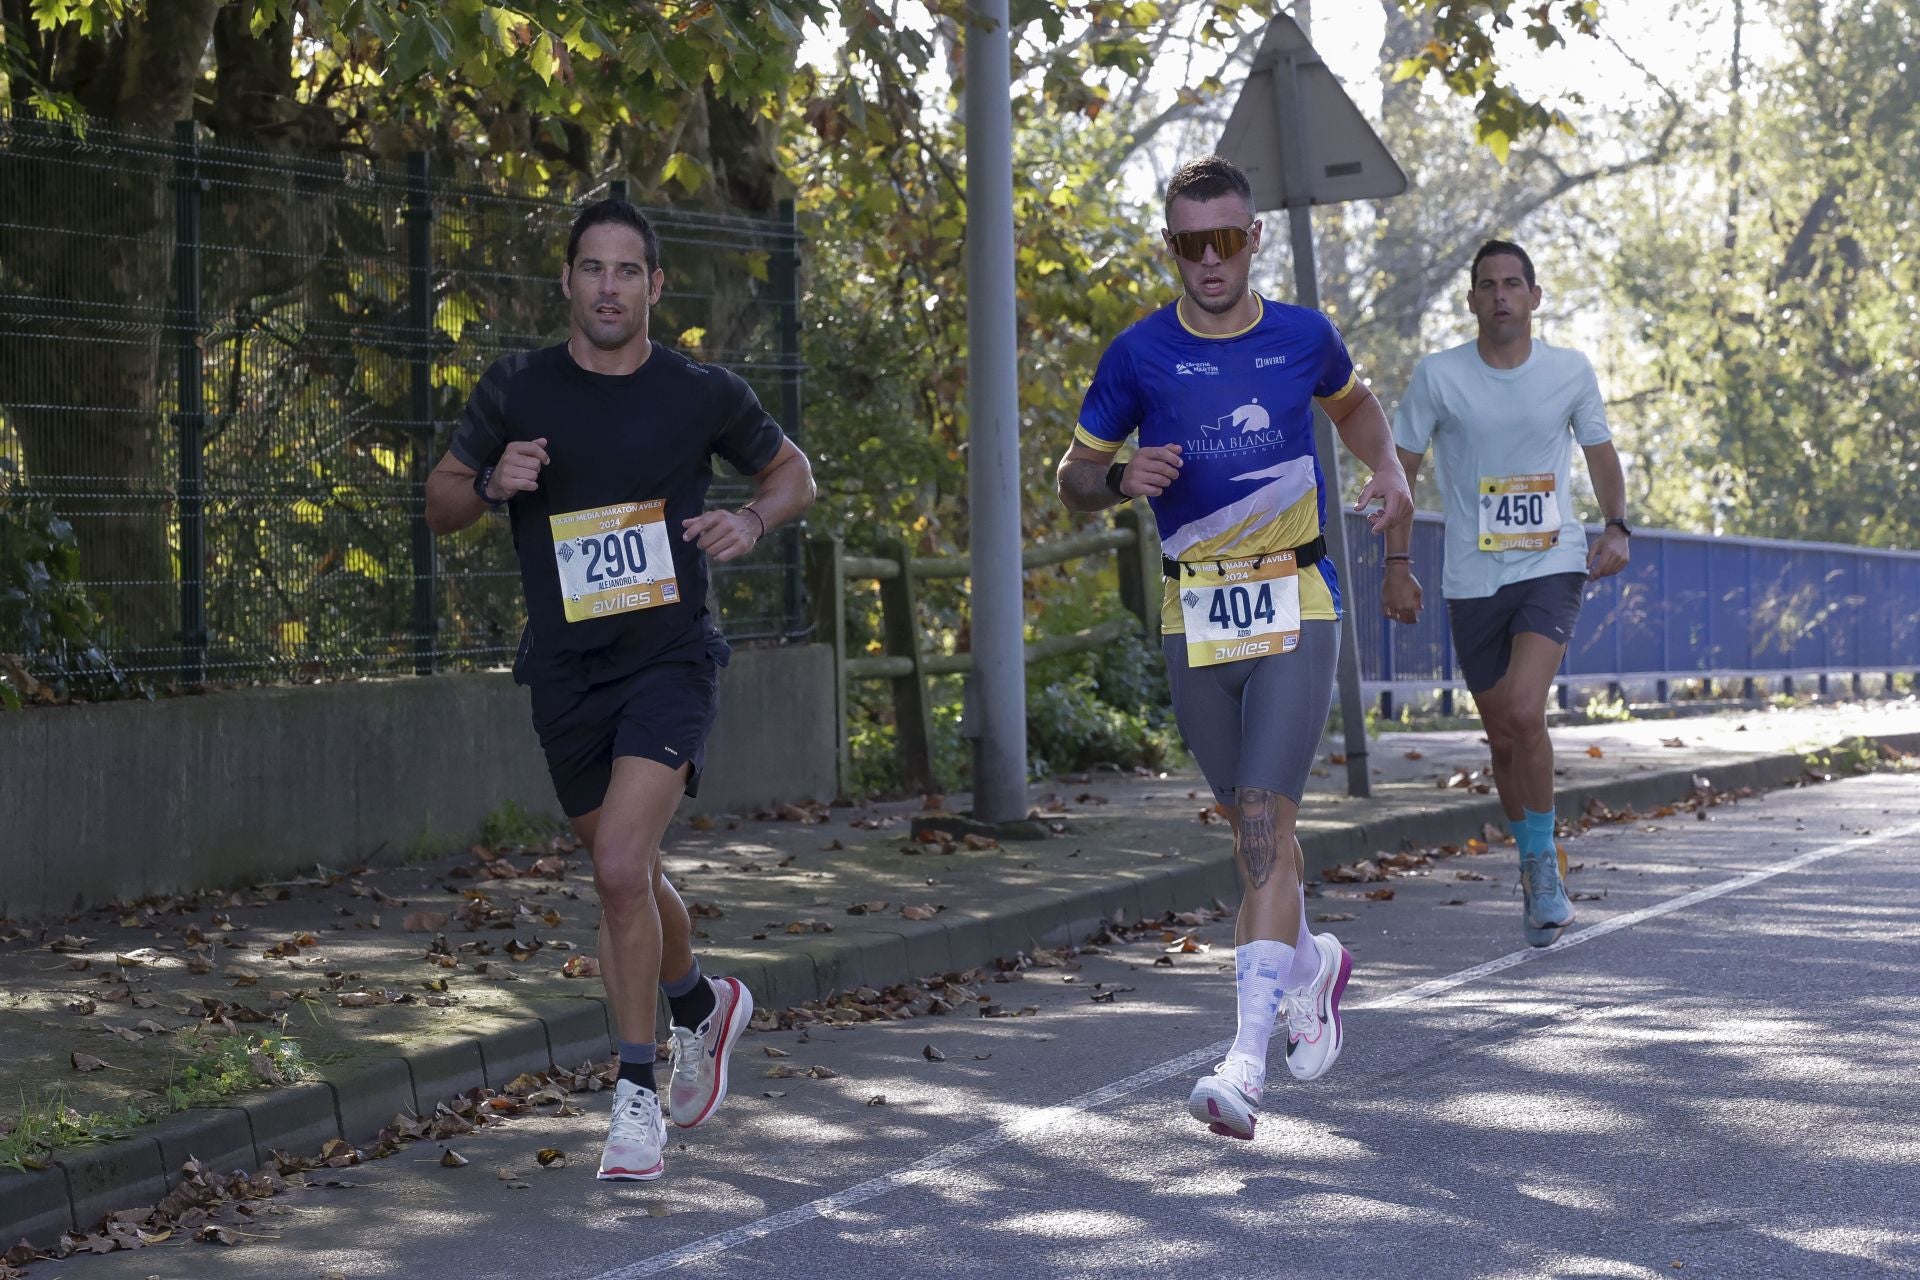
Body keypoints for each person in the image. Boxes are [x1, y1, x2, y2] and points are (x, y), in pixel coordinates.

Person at [424, 198, 816, 1181]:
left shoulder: (699, 391)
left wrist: (752, 521)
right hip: (565, 671)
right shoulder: (516, 387)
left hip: (669, 659)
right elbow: (438, 503)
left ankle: (636, 1096)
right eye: (592, 268)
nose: (608, 287)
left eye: (627, 270)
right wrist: (492, 483)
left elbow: (793, 473)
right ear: (567, 280)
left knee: (616, 867)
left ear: (654, 285)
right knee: (623, 870)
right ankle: (701, 1004)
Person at [1056, 156, 1412, 1141]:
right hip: (1196, 611)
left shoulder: (1304, 337)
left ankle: (1244, 1064)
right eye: (1190, 243)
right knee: (1252, 830)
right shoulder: (1139, 353)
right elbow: (1073, 475)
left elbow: (1356, 408)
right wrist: (1120, 476)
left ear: (1253, 238)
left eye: (1225, 239)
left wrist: (1387, 468)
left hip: (1296, 596)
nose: (1209, 259)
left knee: (1264, 817)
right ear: (1170, 247)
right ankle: (1313, 963)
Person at [1384, 239, 1630, 947]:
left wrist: (1616, 525)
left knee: (1525, 710)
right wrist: (1396, 563)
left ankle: (1543, 867)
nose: (1500, 295)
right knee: (1501, 734)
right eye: (1488, 285)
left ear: (1534, 297)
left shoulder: (1569, 371)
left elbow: (1600, 453)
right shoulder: (1439, 377)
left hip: (1551, 563)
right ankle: (1532, 860)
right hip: (1471, 577)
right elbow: (1397, 473)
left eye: (1513, 283)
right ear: (1471, 301)